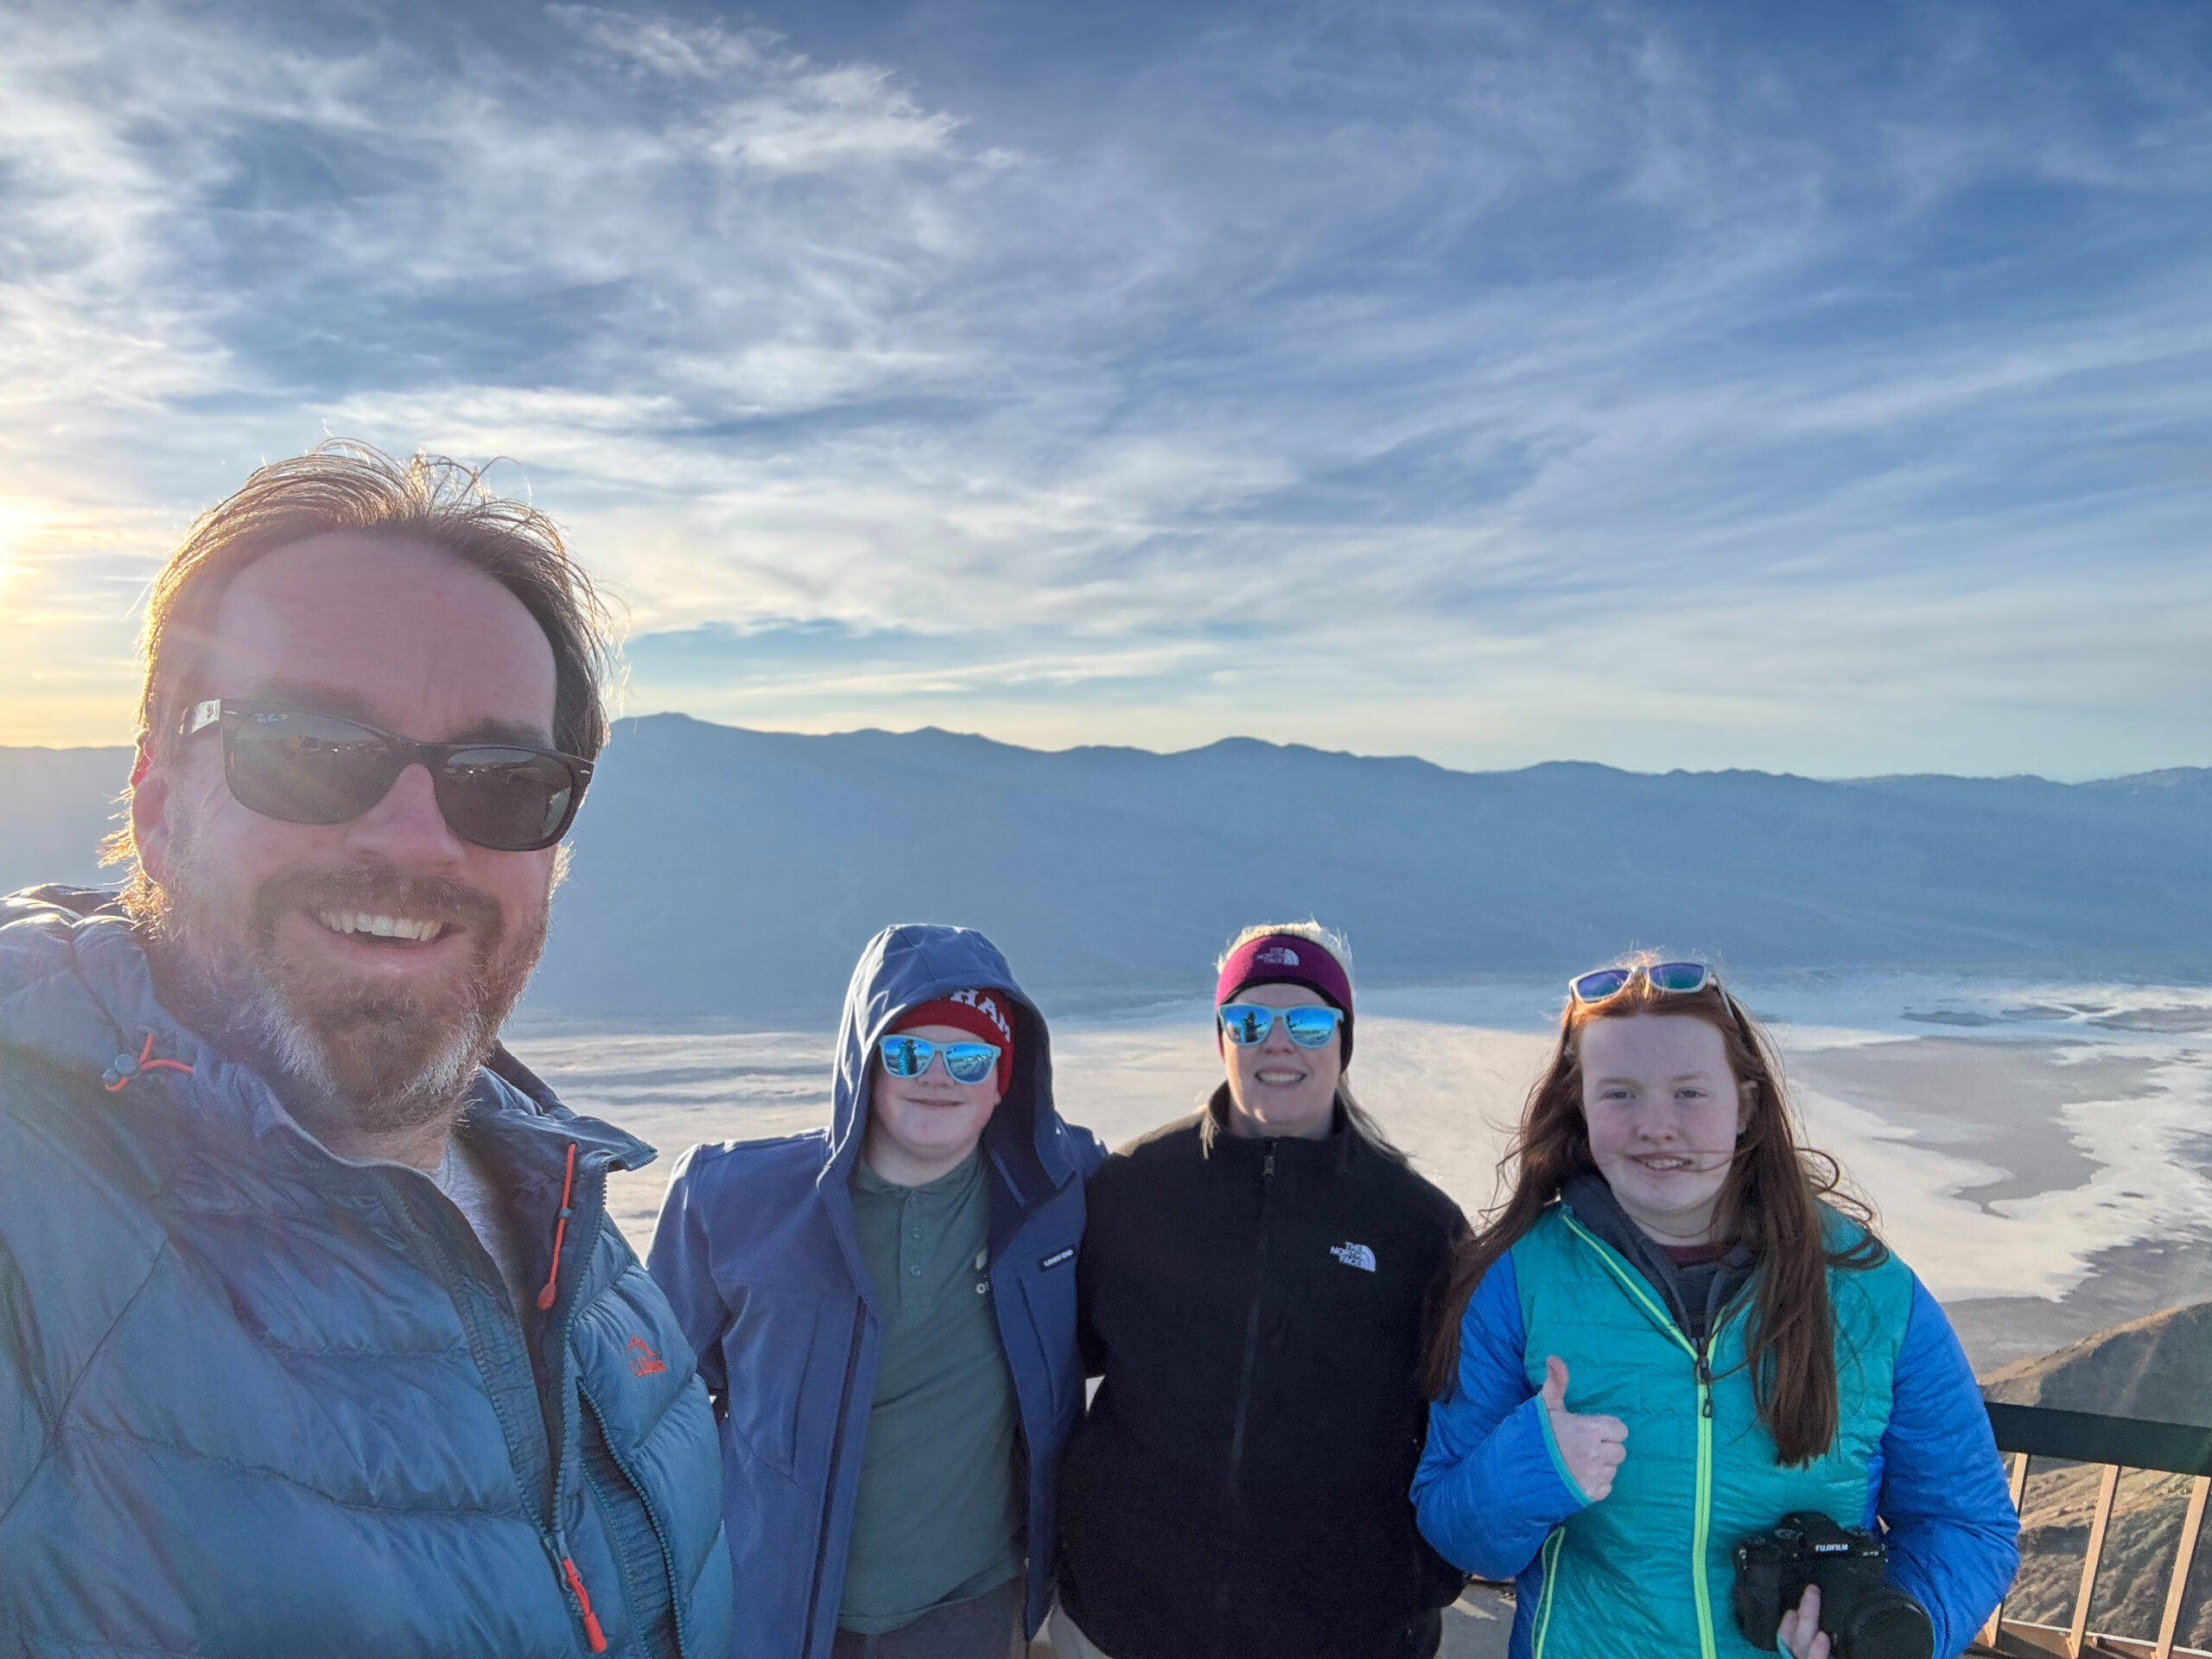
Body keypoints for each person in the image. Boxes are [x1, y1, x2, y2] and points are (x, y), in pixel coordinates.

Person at [0, 443, 732, 1656]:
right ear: (157, 802)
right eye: (308, 750)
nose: (414, 836)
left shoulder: (589, 1258)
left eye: (501, 781)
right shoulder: (40, 1228)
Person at [1413, 958, 2019, 1659]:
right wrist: (1535, 1467)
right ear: (1581, 1109)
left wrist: (1892, 1633)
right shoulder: (1518, 1281)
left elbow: (1967, 1523)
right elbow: (1457, 1532)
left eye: (1690, 1093)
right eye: (1620, 1095)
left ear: (1748, 1106)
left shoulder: (1868, 1289)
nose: (1656, 1127)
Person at [649, 924, 1105, 1659]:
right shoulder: (731, 1201)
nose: (937, 1076)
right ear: (866, 1066)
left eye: (967, 1057)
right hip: (769, 1603)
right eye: (908, 1052)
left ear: (1002, 1080)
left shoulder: (1060, 1191)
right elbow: (651, 1410)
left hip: (964, 1607)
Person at [1053, 922, 1470, 1659]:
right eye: (1250, 1020)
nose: (1278, 1041)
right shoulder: (1134, 1189)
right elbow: (1056, 1358)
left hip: (1347, 1629)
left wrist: (1419, 1579)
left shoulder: (1415, 1223)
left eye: (1307, 1021)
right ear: (1222, 1039)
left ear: (1344, 1041)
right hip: (1127, 1619)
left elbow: (1461, 1413)